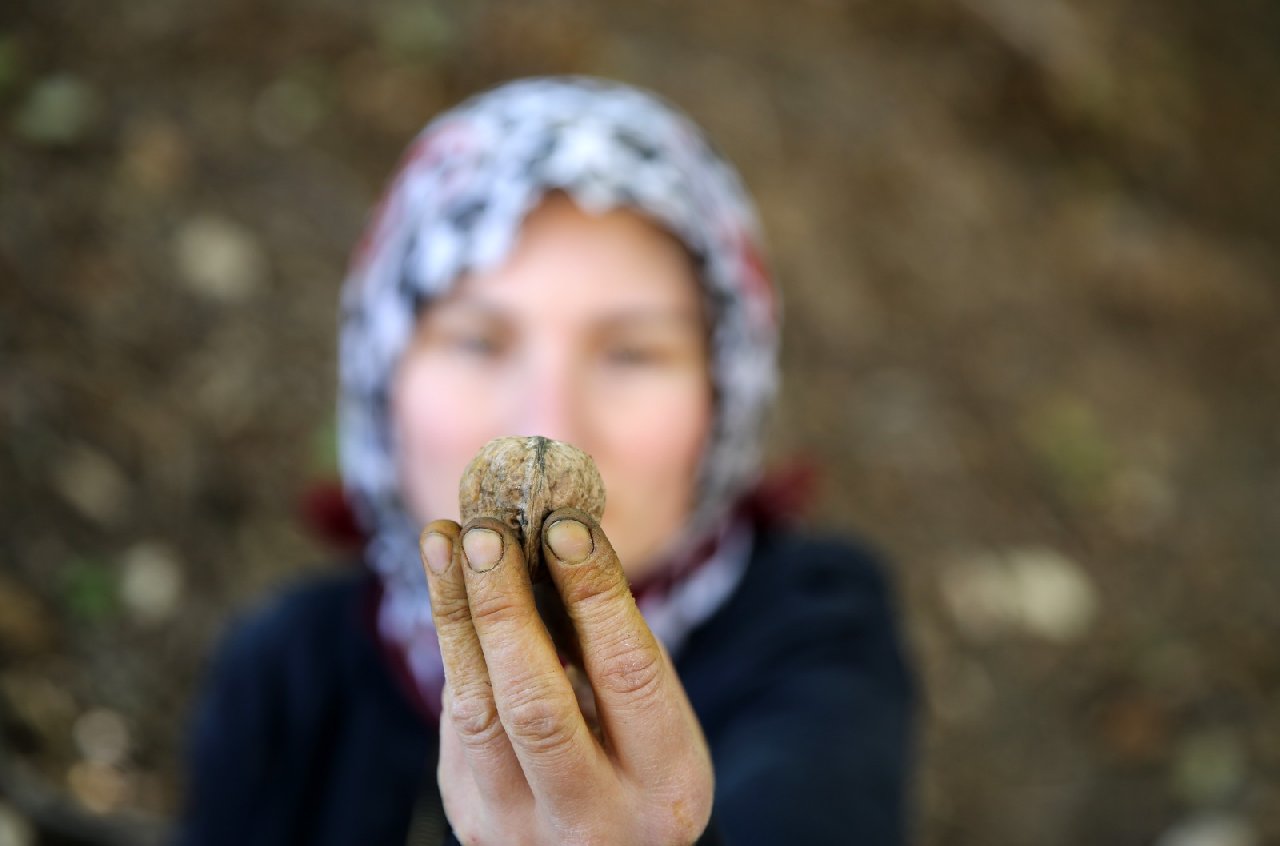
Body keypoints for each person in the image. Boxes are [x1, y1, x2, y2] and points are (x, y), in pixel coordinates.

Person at [177, 76, 916, 845]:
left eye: (633, 353)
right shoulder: (286, 671)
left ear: (728, 392)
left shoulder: (814, 637)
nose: (547, 425)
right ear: (380, 375)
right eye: (477, 341)